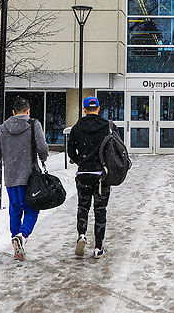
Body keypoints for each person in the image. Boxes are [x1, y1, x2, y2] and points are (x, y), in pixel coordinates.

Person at [0, 96, 48, 261]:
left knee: (15, 211)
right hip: (30, 178)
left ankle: (16, 243)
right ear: (28, 111)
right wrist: (42, 156)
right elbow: (43, 149)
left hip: (11, 178)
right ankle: (23, 235)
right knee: (32, 209)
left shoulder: (3, 128)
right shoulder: (34, 125)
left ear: (13, 112)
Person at [67, 96, 112, 259]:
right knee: (100, 210)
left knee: (83, 206)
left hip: (84, 173)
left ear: (84, 110)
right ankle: (98, 246)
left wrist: (82, 161)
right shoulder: (108, 126)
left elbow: (70, 151)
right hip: (101, 174)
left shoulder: (77, 127)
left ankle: (82, 234)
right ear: (98, 109)